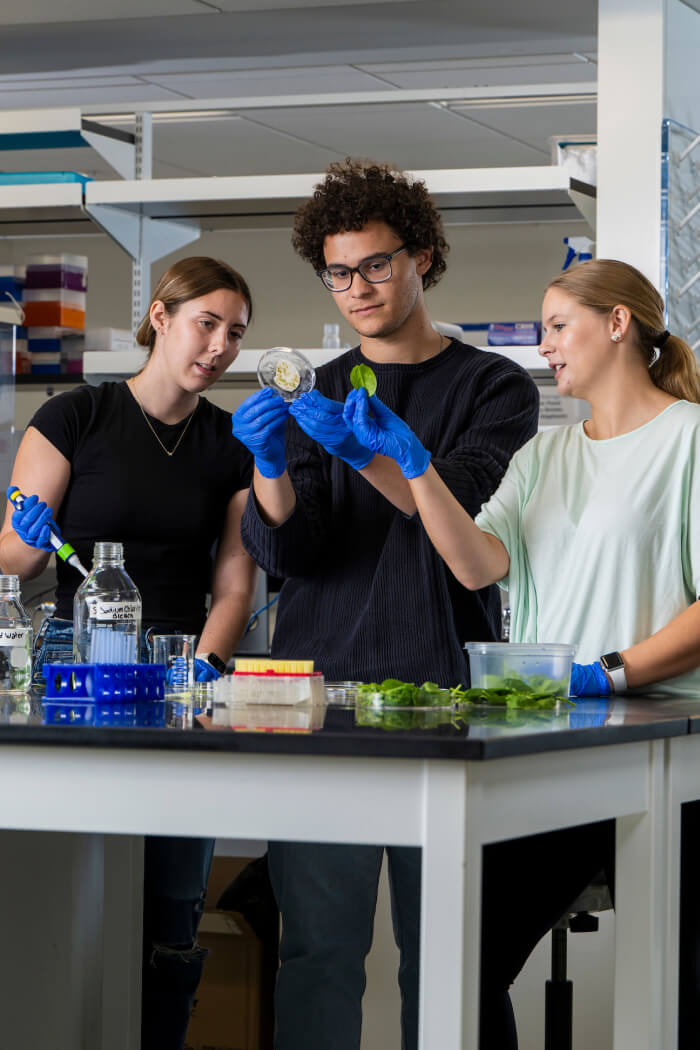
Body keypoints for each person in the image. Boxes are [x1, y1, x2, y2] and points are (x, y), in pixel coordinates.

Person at [342, 257, 700, 1046]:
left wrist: (609, 674)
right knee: (460, 951)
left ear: (618, 324)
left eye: (558, 327)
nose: (544, 348)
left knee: (675, 985)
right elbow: (475, 560)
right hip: (559, 744)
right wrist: (408, 464)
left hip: (663, 746)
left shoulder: (689, 439)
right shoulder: (545, 456)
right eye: (541, 331)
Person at [232, 158, 539, 1050]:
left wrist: (380, 454)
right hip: (316, 698)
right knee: (317, 953)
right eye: (338, 271)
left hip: (442, 700)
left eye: (376, 264)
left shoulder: (495, 388)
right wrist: (269, 466)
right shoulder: (314, 389)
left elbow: (464, 532)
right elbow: (294, 549)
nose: (357, 287)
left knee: (444, 955)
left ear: (424, 258)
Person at [0, 255, 259, 1050]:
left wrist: (198, 675)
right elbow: (14, 555)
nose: (218, 347)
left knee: (173, 913)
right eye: (205, 323)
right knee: (66, 896)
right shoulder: (75, 416)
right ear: (160, 317)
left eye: (236, 334)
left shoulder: (230, 442)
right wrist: (28, 539)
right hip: (79, 681)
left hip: (180, 690)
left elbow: (235, 587)